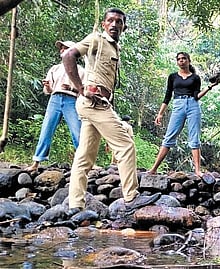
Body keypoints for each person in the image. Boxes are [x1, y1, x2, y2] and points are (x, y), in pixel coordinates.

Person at [63, 7, 159, 214]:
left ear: (124, 27)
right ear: (104, 24)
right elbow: (69, 55)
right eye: (111, 21)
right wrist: (80, 88)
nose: (115, 24)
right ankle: (131, 197)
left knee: (84, 157)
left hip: (98, 105)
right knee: (125, 144)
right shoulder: (96, 39)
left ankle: (75, 205)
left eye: (119, 21)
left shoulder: (115, 47)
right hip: (94, 104)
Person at [147, 52, 219, 176]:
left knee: (194, 137)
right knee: (169, 137)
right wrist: (160, 114)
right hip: (178, 104)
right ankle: (153, 169)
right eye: (179, 59)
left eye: (184, 58)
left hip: (192, 105)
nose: (181, 61)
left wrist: (210, 87)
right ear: (177, 62)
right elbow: (168, 96)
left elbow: (197, 96)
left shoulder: (195, 78)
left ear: (188, 61)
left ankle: (197, 170)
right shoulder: (173, 77)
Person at [25, 41, 85, 172]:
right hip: (55, 99)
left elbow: (84, 92)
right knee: (46, 128)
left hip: (71, 100)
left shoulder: (81, 71)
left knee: (77, 131)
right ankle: (36, 162)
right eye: (62, 48)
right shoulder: (54, 69)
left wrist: (72, 88)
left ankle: (86, 162)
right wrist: (47, 86)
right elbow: (49, 91)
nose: (62, 50)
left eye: (66, 48)